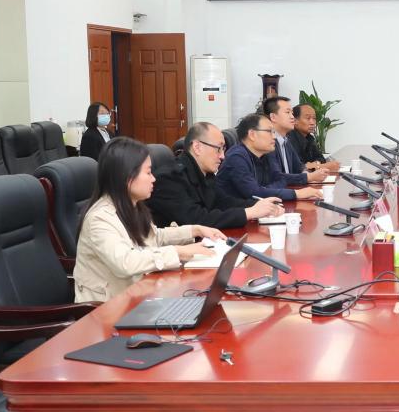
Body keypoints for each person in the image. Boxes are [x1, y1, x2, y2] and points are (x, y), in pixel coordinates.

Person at [73, 136, 228, 303]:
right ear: (127, 177)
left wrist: (195, 230)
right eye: (148, 172)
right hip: (106, 308)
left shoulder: (132, 205)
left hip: (138, 293)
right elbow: (126, 262)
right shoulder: (99, 218)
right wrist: (179, 252)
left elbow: (155, 237)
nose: (153, 178)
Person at [148, 122, 284, 229]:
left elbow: (223, 202)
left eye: (223, 149)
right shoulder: (169, 179)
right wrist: (250, 212)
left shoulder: (205, 173)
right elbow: (197, 220)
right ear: (197, 147)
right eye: (218, 149)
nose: (222, 156)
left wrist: (259, 205)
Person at [217, 112, 323, 202]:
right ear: (252, 135)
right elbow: (254, 193)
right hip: (234, 215)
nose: (274, 137)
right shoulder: (236, 157)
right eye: (269, 132)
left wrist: (265, 189)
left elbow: (281, 179)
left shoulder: (266, 153)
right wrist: (296, 194)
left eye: (273, 132)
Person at [262, 96, 330, 185]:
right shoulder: (267, 143)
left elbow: (299, 168)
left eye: (292, 113)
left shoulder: (285, 141)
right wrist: (309, 177)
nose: (292, 117)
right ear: (273, 117)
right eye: (287, 112)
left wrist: (310, 175)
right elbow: (277, 177)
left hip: (290, 189)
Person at [289, 104, 341, 173]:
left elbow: (321, 158)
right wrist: (320, 166)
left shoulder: (309, 137)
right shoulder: (290, 139)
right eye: (308, 118)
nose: (312, 122)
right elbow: (299, 168)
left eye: (314, 118)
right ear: (295, 121)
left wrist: (315, 164)